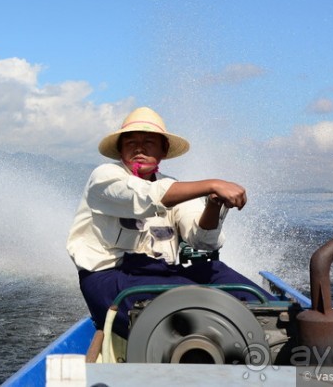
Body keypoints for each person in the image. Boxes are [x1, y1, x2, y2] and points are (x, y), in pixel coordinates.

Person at [66, 107, 274, 337]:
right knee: (192, 297)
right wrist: (212, 184)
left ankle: (280, 320)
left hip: (158, 273)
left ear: (163, 150)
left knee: (216, 270)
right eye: (131, 142)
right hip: (109, 279)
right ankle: (226, 333)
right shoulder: (104, 177)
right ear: (120, 151)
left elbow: (202, 239)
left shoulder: (174, 186)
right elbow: (146, 195)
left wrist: (213, 205)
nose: (139, 148)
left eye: (149, 142)